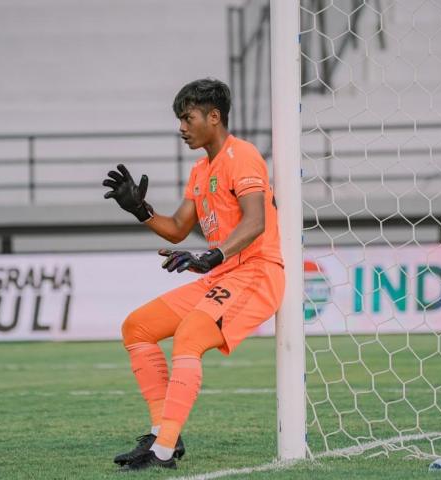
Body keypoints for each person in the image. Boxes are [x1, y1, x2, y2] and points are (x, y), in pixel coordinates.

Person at [102, 78, 285, 471]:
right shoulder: (202, 170)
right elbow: (178, 228)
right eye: (180, 120)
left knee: (189, 335)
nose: (182, 127)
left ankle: (163, 451)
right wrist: (141, 210)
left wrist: (212, 254)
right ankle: (162, 432)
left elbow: (256, 223)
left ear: (213, 117)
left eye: (188, 118)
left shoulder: (244, 156)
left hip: (256, 272)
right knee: (137, 327)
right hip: (221, 273)